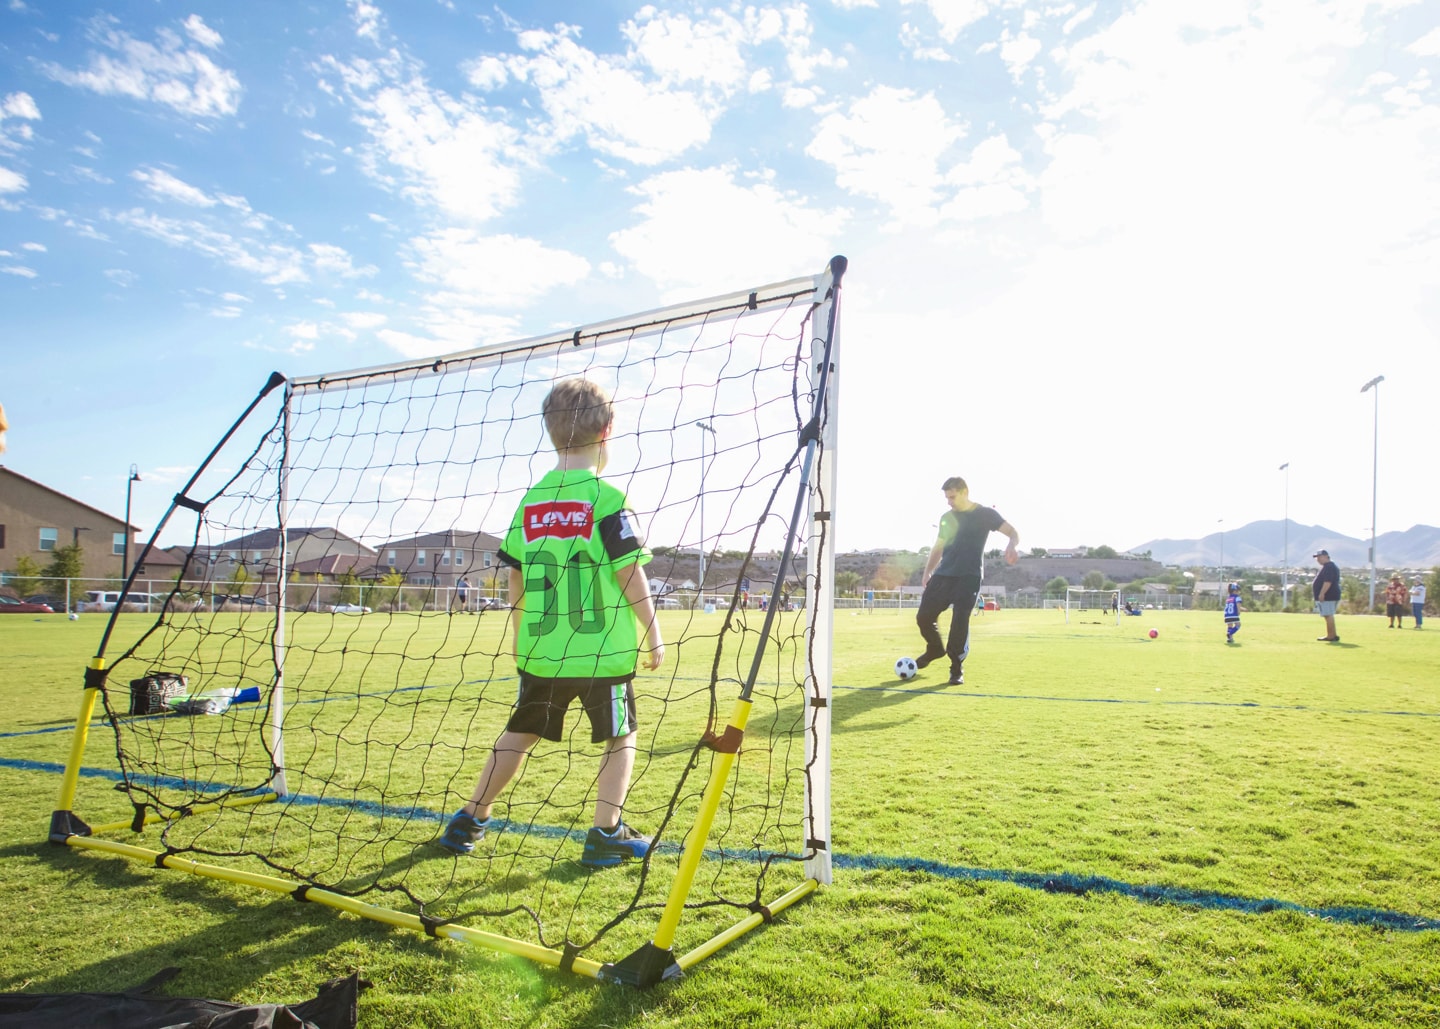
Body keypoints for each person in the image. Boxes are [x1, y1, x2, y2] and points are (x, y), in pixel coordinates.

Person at [440, 377, 665, 868]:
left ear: (549, 430)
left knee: (519, 733)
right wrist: (654, 633)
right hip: (601, 651)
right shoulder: (607, 499)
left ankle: (469, 819)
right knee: (620, 736)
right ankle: (607, 832)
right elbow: (630, 573)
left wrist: (521, 633)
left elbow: (515, 578)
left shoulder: (531, 502)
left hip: (542, 650)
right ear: (608, 430)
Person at [914, 476, 1020, 685]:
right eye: (946, 498)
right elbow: (939, 546)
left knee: (960, 621)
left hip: (969, 576)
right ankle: (935, 648)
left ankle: (956, 668)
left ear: (964, 492)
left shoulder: (985, 514)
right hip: (944, 574)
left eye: (952, 497)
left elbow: (1012, 532)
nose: (949, 501)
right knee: (924, 617)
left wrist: (1012, 544)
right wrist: (927, 572)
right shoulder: (947, 517)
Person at [1312, 550, 1340, 642]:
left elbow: (1328, 582)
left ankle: (1331, 636)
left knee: (1328, 615)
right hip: (1330, 595)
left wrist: (1322, 593)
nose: (1318, 559)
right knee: (1328, 615)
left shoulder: (1329, 567)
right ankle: (1333, 635)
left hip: (1328, 595)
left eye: (1319, 557)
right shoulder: (1328, 567)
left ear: (1326, 556)